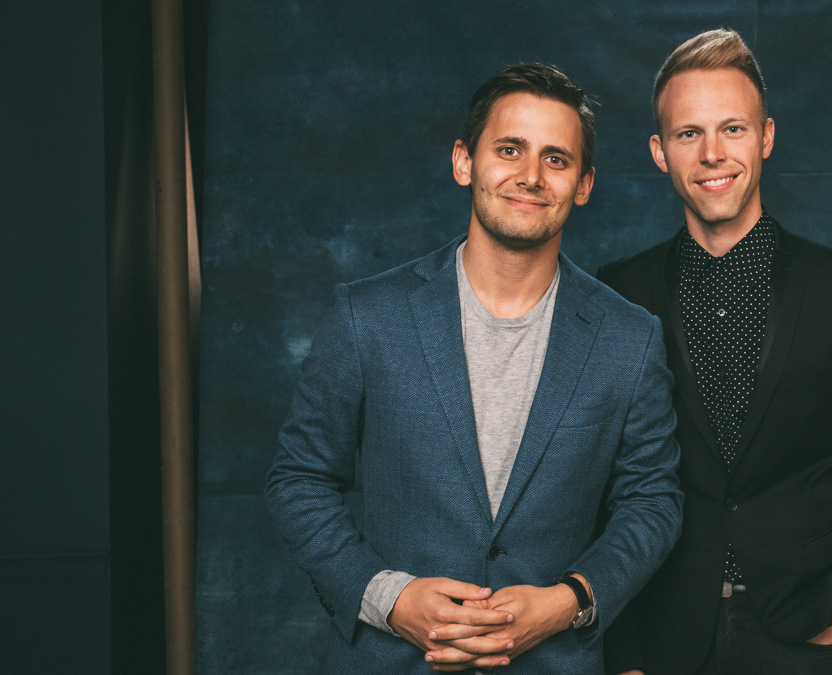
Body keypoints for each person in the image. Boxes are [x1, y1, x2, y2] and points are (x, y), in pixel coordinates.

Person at [265, 63, 684, 674]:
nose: (531, 176)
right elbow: (298, 480)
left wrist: (570, 601)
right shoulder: (368, 317)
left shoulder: (630, 337)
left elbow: (653, 500)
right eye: (509, 149)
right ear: (464, 161)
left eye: (556, 159)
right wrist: (390, 597)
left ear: (585, 183)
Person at [597, 30, 832, 674]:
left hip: (805, 635)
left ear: (767, 137)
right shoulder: (619, 293)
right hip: (661, 636)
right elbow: (597, 486)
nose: (712, 153)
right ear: (659, 152)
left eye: (733, 129)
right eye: (688, 133)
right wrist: (625, 650)